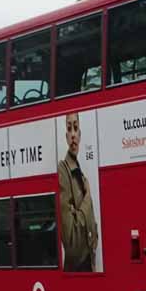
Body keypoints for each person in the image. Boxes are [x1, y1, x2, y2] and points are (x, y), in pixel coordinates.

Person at [58, 112, 98, 271]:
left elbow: (92, 228)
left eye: (76, 128)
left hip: (88, 266)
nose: (73, 134)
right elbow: (71, 240)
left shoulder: (79, 174)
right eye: (69, 129)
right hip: (76, 270)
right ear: (66, 136)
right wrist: (88, 197)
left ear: (80, 135)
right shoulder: (63, 171)